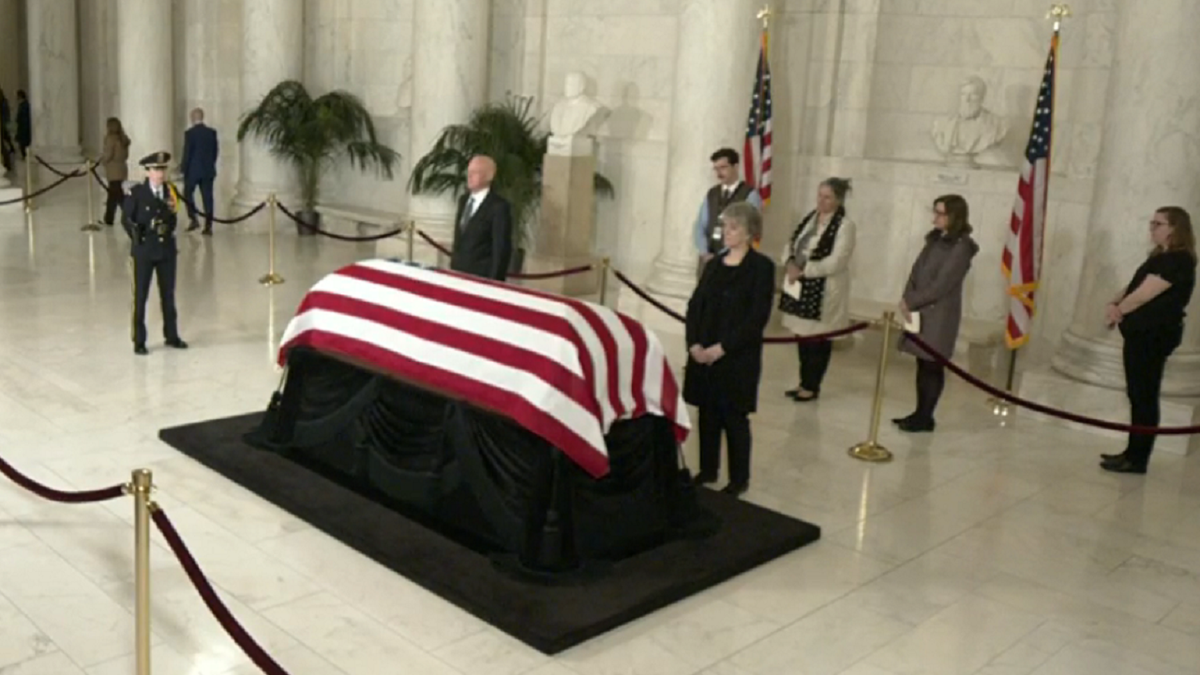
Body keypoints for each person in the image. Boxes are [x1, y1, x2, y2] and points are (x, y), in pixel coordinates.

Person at [684, 202, 775, 497]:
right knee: (707, 414)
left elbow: (756, 318)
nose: (726, 232)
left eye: (734, 227)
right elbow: (695, 306)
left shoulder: (761, 268)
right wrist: (695, 344)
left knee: (734, 418)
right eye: (725, 226)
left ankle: (739, 478)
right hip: (704, 353)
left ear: (749, 233)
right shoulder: (713, 265)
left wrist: (721, 349)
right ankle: (708, 469)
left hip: (736, 357)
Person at [1099, 207, 1197, 474]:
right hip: (1141, 334)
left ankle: (1138, 458)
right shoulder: (1160, 256)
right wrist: (1114, 301)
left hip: (1153, 336)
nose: (1152, 228)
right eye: (1151, 222)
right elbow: (1135, 286)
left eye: (1159, 223)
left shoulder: (1179, 260)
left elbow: (1145, 294)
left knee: (1144, 395)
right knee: (1137, 393)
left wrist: (1118, 311)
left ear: (1175, 228)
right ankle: (1132, 451)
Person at [893, 194, 978, 432]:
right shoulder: (935, 240)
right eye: (935, 212)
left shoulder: (962, 247)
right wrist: (907, 298)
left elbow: (943, 284)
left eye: (940, 214)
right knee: (922, 363)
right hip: (920, 309)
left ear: (954, 216)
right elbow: (916, 270)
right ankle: (920, 413)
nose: (934, 219)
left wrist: (913, 300)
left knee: (932, 364)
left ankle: (925, 416)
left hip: (939, 315)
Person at [778, 177, 857, 402]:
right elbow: (791, 244)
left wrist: (805, 270)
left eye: (827, 197)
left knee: (818, 341)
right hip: (801, 287)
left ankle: (812, 385)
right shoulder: (810, 219)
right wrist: (790, 263)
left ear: (838, 200)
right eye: (819, 196)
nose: (821, 201)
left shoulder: (845, 226)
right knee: (802, 337)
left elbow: (838, 260)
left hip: (823, 291)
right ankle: (804, 381)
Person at [123, 151, 188, 355]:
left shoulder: (170, 192)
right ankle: (139, 340)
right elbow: (126, 219)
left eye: (162, 169)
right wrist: (136, 235)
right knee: (140, 297)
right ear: (148, 172)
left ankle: (172, 335)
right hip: (144, 251)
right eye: (156, 170)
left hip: (166, 250)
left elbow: (173, 218)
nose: (160, 174)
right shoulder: (137, 193)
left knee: (168, 295)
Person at [692, 148, 762, 276]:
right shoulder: (712, 193)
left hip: (734, 261)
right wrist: (704, 252)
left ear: (735, 167)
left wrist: (722, 255)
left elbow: (749, 230)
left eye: (723, 167)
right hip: (708, 259)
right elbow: (700, 225)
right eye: (716, 169)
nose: (719, 173)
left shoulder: (750, 195)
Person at [449, 155, 513, 281]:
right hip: (458, 275)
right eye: (469, 172)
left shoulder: (498, 207)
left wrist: (494, 282)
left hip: (481, 278)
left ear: (489, 176)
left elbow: (501, 249)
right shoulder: (463, 200)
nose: (469, 176)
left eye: (475, 172)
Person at [181, 107, 219, 234]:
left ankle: (193, 219)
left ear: (192, 118)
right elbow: (215, 152)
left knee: (187, 194)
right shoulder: (211, 132)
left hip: (193, 171)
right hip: (208, 170)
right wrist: (210, 165)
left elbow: (187, 153)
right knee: (208, 198)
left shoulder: (190, 134)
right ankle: (208, 226)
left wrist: (183, 169)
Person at [99, 117, 131, 226]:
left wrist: (102, 160)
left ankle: (129, 213)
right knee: (113, 195)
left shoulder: (110, 139)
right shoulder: (123, 139)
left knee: (117, 196)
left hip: (113, 170)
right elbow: (125, 155)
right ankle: (108, 218)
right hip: (121, 168)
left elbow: (108, 155)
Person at [15, 90, 30, 159]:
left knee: (23, 143)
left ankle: (25, 156)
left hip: (24, 127)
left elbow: (24, 117)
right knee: (21, 143)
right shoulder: (22, 105)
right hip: (22, 126)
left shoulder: (24, 105)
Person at [0, 89, 13, 171]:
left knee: (2, 145)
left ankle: (7, 163)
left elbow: (5, 116)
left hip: (2, 125)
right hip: (3, 125)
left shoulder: (3, 104)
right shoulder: (4, 103)